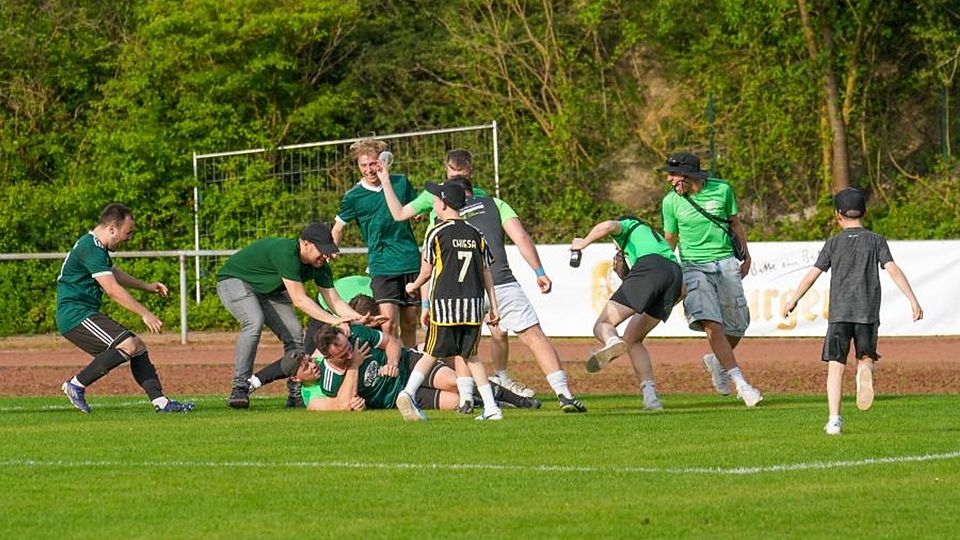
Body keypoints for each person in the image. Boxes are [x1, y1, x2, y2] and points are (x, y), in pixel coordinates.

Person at [380, 149, 586, 413]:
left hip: (463, 293)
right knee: (533, 337)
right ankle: (563, 393)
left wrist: (425, 302)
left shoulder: (437, 222)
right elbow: (520, 238)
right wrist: (539, 272)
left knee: (464, 345)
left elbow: (428, 265)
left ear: (444, 200)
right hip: (500, 281)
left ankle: (465, 398)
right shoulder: (493, 203)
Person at [782, 187, 923, 435]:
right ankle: (865, 372)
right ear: (865, 212)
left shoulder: (833, 243)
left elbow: (812, 274)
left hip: (839, 314)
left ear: (838, 215)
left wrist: (793, 299)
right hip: (867, 313)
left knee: (836, 366)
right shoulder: (876, 240)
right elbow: (893, 269)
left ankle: (834, 420)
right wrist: (913, 300)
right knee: (865, 357)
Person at [56, 203, 193, 413]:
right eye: (127, 232)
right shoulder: (91, 248)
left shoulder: (96, 248)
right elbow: (111, 289)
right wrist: (145, 314)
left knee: (137, 346)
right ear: (112, 228)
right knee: (128, 345)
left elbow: (114, 273)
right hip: (75, 314)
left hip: (82, 313)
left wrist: (147, 286)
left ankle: (161, 403)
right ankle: (76, 384)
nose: (129, 238)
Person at [216, 222, 366, 409]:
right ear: (305, 244)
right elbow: (300, 300)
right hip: (235, 280)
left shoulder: (319, 264)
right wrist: (335, 320)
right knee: (254, 321)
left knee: (294, 333)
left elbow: (334, 301)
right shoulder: (286, 252)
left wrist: (359, 318)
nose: (327, 255)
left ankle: (296, 391)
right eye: (323, 250)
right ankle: (240, 386)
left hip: (268, 290)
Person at [659, 152, 763, 407]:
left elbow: (735, 224)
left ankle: (717, 362)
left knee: (738, 325)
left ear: (689, 175)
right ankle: (742, 385)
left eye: (674, 175)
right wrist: (660, 269)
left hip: (727, 262)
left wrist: (747, 256)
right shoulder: (670, 203)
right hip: (693, 266)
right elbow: (670, 238)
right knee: (712, 325)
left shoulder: (723, 190)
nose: (670, 180)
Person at [393, 181, 504, 421]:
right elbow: (486, 272)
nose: (433, 203)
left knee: (431, 352)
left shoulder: (436, 232)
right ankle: (491, 407)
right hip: (473, 307)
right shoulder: (476, 233)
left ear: (443, 204)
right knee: (472, 356)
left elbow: (426, 271)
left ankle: (408, 392)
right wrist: (493, 306)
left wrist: (412, 286)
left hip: (445, 307)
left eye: (435, 199)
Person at [570, 216, 684, 410]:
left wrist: (583, 243)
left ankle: (612, 342)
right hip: (675, 278)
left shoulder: (628, 225)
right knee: (633, 340)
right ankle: (651, 399)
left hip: (650, 269)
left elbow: (607, 225)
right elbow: (683, 290)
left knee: (602, 325)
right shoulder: (654, 239)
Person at [295, 323, 540, 412]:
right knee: (455, 403)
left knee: (454, 382)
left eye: (349, 346)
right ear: (328, 356)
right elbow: (343, 403)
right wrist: (355, 366)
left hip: (408, 364)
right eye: (343, 354)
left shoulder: (357, 333)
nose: (350, 351)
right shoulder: (329, 381)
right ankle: (492, 401)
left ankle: (518, 400)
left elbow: (391, 341)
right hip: (398, 397)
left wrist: (391, 362)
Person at [332, 139, 422, 347]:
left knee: (410, 321)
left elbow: (416, 210)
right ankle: (392, 366)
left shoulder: (400, 182)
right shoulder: (353, 196)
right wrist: (331, 248)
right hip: (381, 263)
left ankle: (409, 366)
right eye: (363, 165)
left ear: (381, 161)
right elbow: (337, 227)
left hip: (409, 259)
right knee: (388, 324)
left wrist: (419, 214)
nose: (369, 169)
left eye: (372, 163)